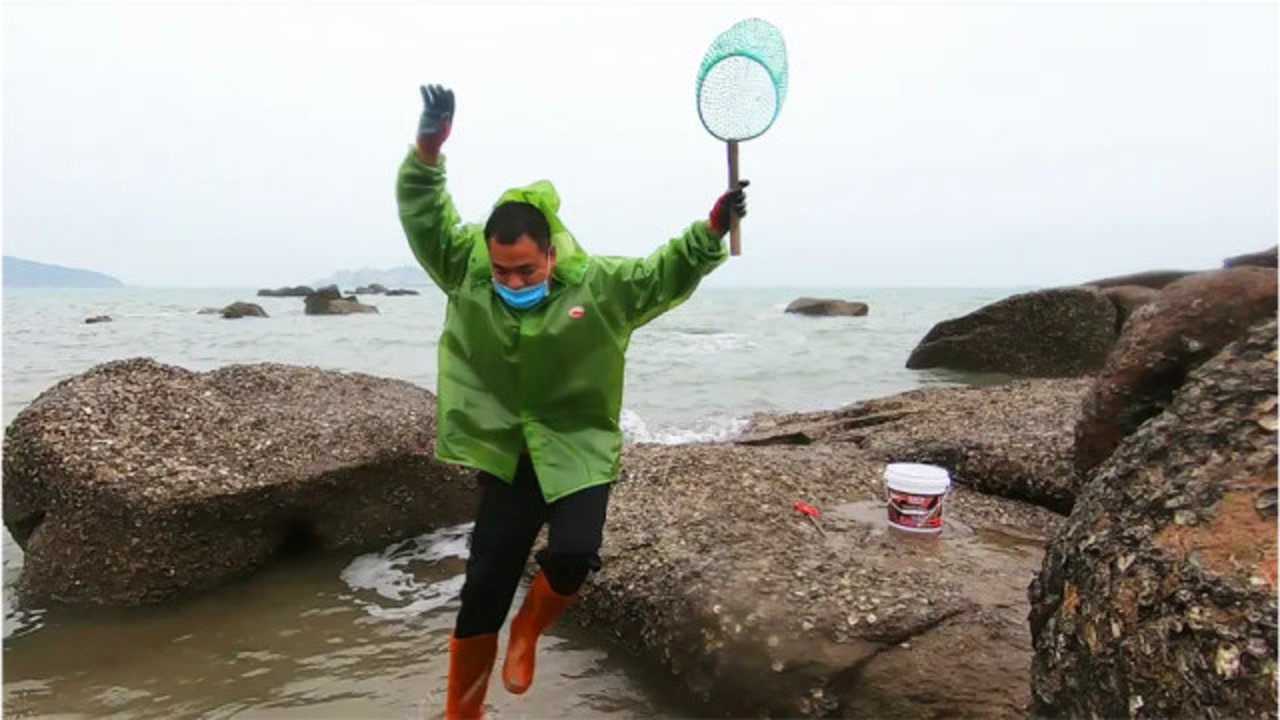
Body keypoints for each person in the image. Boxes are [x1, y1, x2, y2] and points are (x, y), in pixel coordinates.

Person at [396, 84, 748, 719]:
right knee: (482, 588)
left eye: (526, 271)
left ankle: (529, 631)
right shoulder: (465, 270)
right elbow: (424, 214)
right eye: (502, 272)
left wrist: (712, 229)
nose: (512, 283)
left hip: (578, 445)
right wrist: (429, 148)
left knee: (575, 552)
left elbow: (662, 273)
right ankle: (463, 713)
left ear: (551, 254)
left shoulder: (600, 286)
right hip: (507, 451)